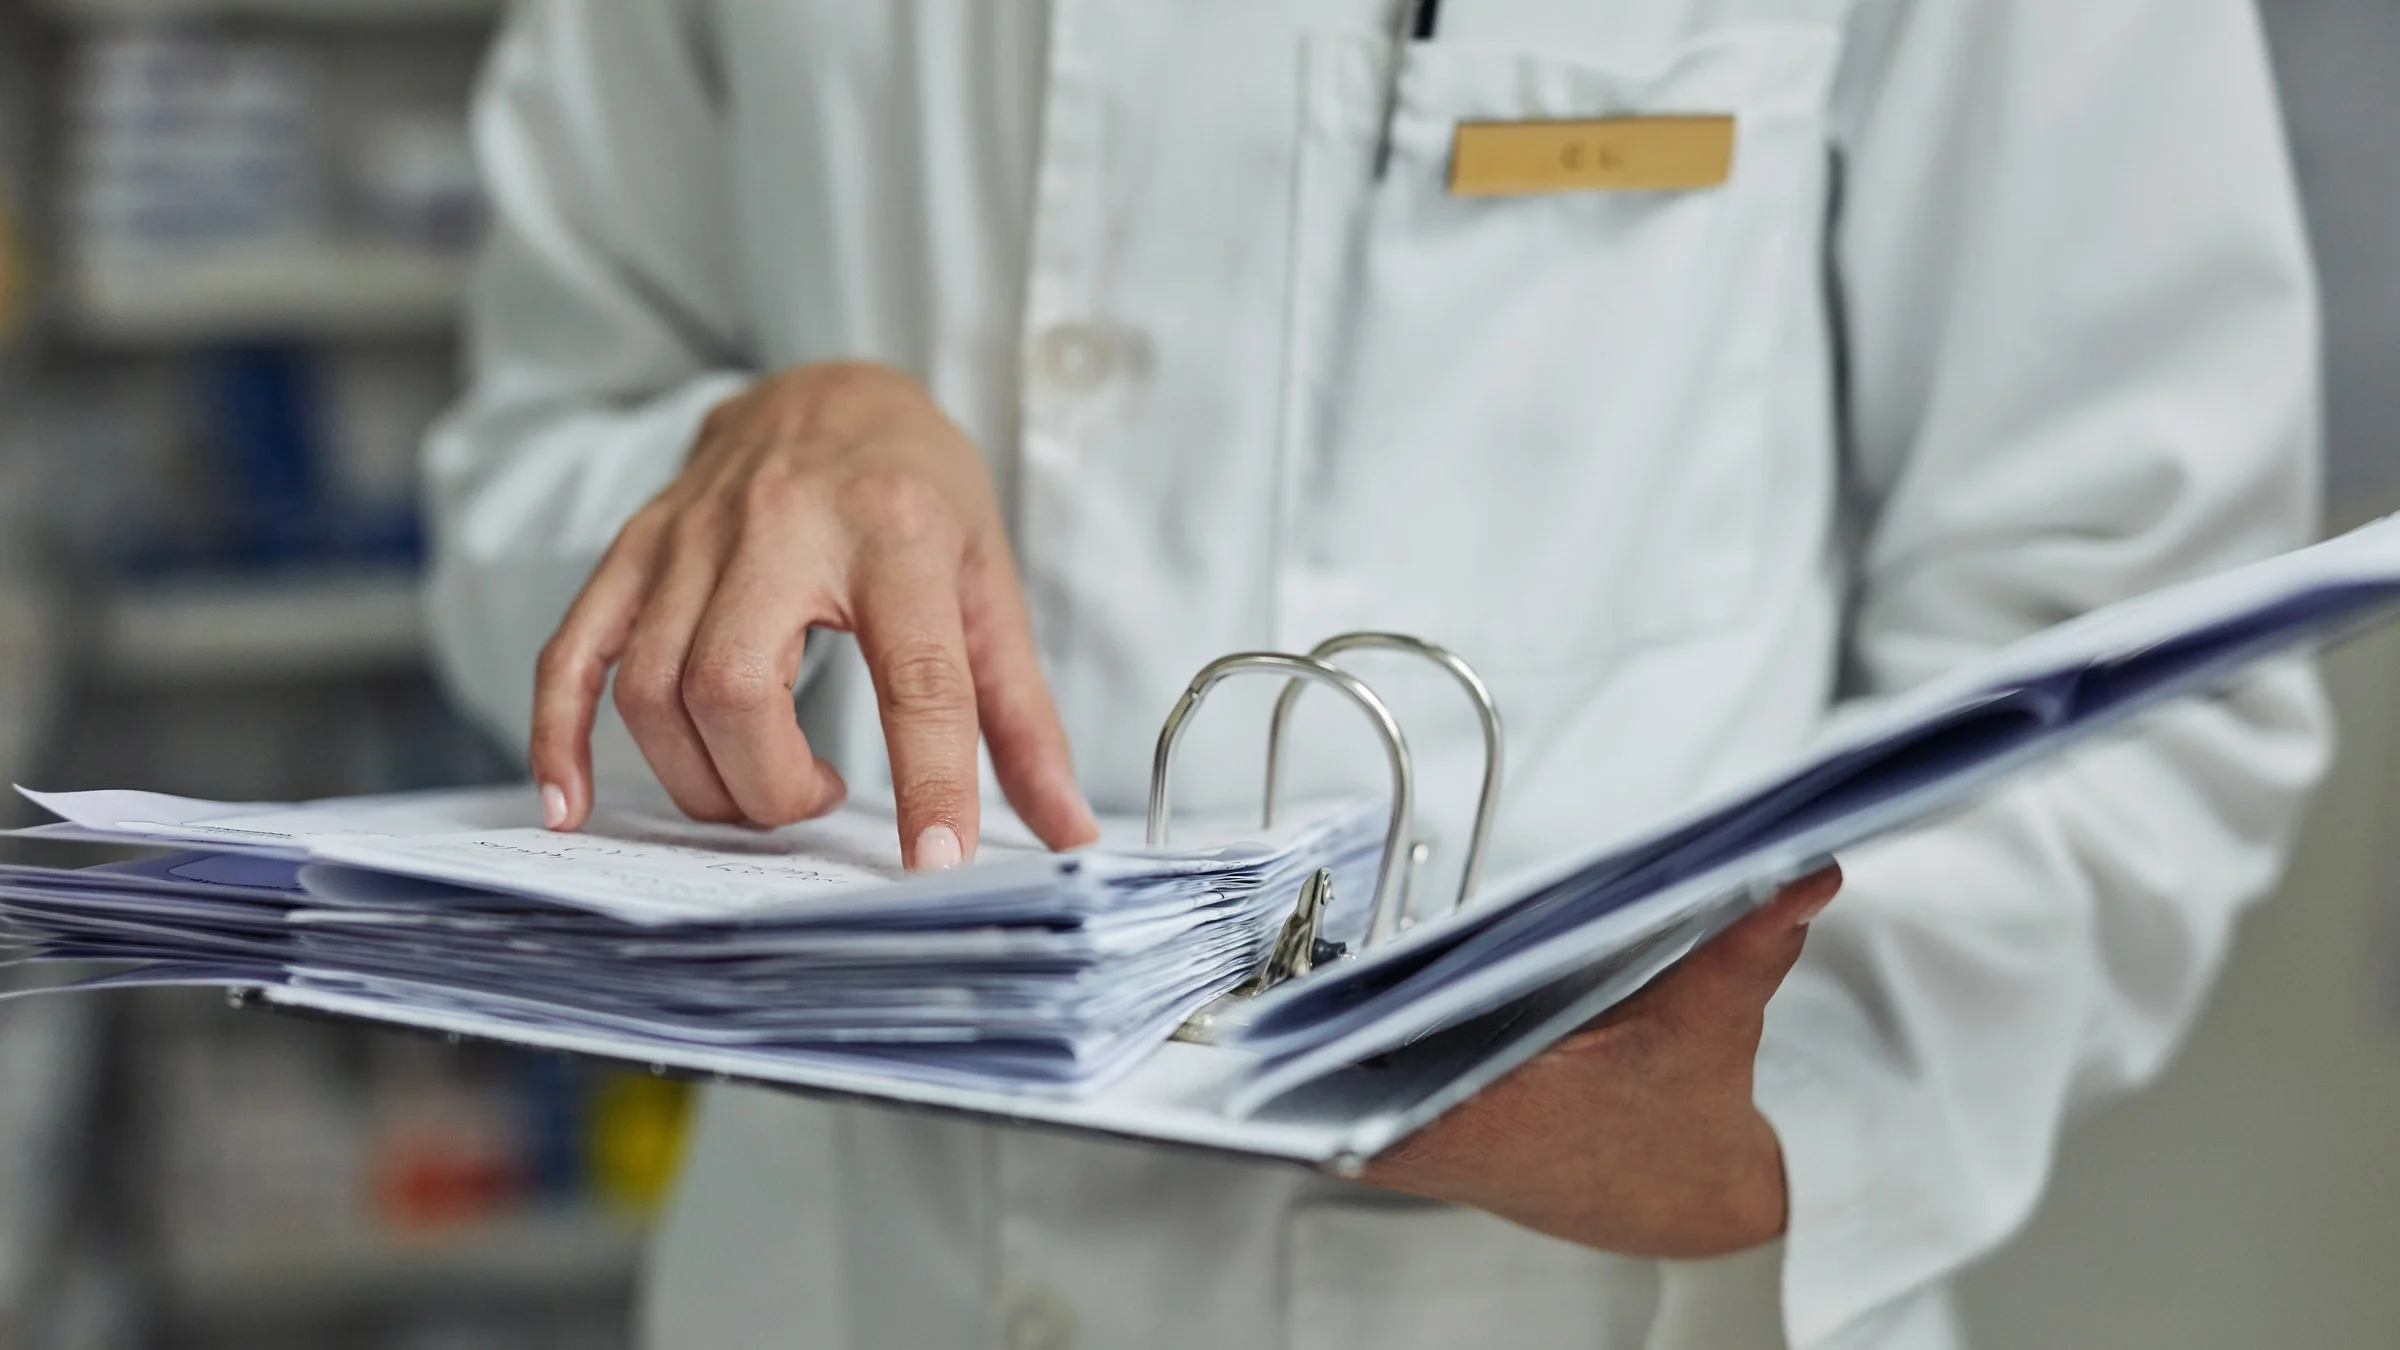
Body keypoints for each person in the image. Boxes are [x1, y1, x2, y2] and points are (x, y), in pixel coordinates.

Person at [423, 3, 2331, 1347]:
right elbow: (528, 451)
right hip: (846, 1279)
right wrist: (739, 465)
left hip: (1578, 1305)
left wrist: (1799, 1091)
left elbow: (2130, 604)